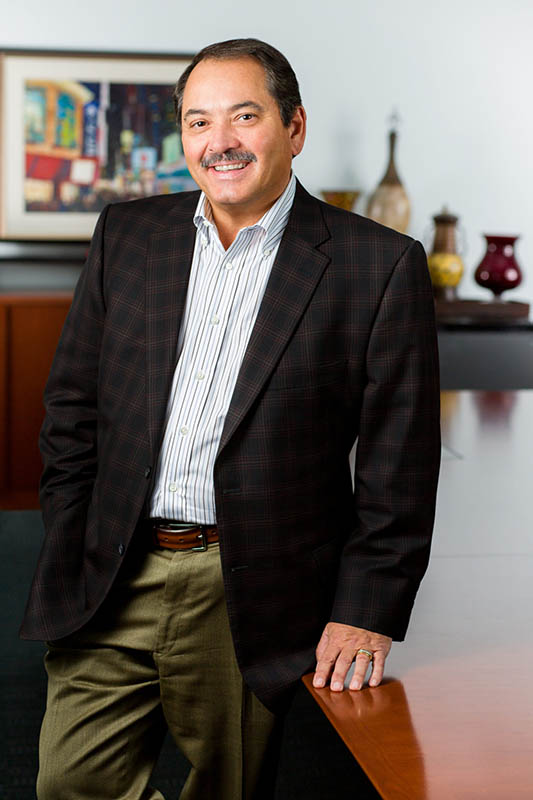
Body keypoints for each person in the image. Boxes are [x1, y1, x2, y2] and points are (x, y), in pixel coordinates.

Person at [21, 37, 441, 800]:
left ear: (293, 128)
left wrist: (366, 611)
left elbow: (398, 465)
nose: (219, 142)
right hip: (115, 567)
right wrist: (72, 528)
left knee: (231, 788)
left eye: (244, 117)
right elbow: (73, 406)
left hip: (253, 584)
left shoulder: (376, 265)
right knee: (70, 782)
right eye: (197, 122)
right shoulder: (128, 235)